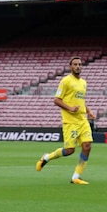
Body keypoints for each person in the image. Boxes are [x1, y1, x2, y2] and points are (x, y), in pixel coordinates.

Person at [36, 56, 96, 184]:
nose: (78, 66)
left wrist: (89, 111)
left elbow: (80, 101)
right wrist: (70, 108)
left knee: (87, 146)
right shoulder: (65, 81)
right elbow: (56, 99)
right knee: (69, 150)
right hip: (70, 121)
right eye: (75, 64)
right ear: (70, 66)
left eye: (79, 64)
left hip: (82, 120)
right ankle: (47, 157)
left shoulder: (84, 83)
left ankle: (76, 176)